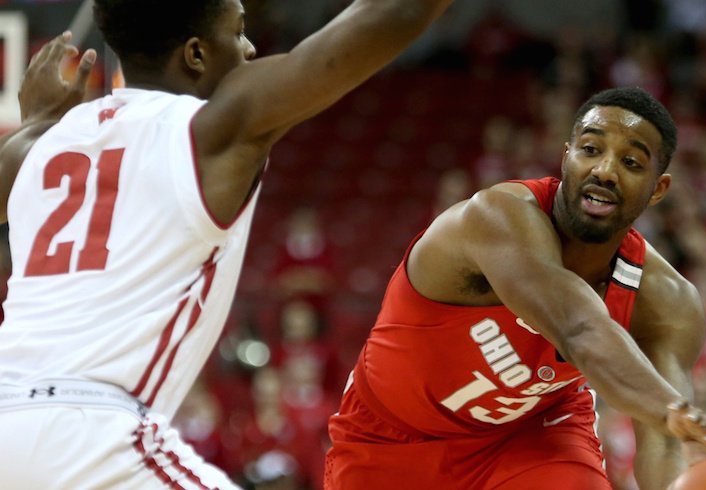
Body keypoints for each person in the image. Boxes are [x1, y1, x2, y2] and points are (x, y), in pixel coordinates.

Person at [0, 0, 451, 486]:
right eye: (237, 32)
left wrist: (36, 123)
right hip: (94, 431)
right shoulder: (211, 131)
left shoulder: (31, 151)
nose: (250, 47)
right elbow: (391, 15)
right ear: (196, 54)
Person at [325, 86, 706, 489]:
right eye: (590, 150)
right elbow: (580, 329)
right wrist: (667, 411)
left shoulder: (666, 301)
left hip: (530, 436)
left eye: (630, 162)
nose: (605, 171)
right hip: (390, 437)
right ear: (566, 156)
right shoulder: (496, 218)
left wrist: (680, 432)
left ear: (657, 188)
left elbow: (666, 442)